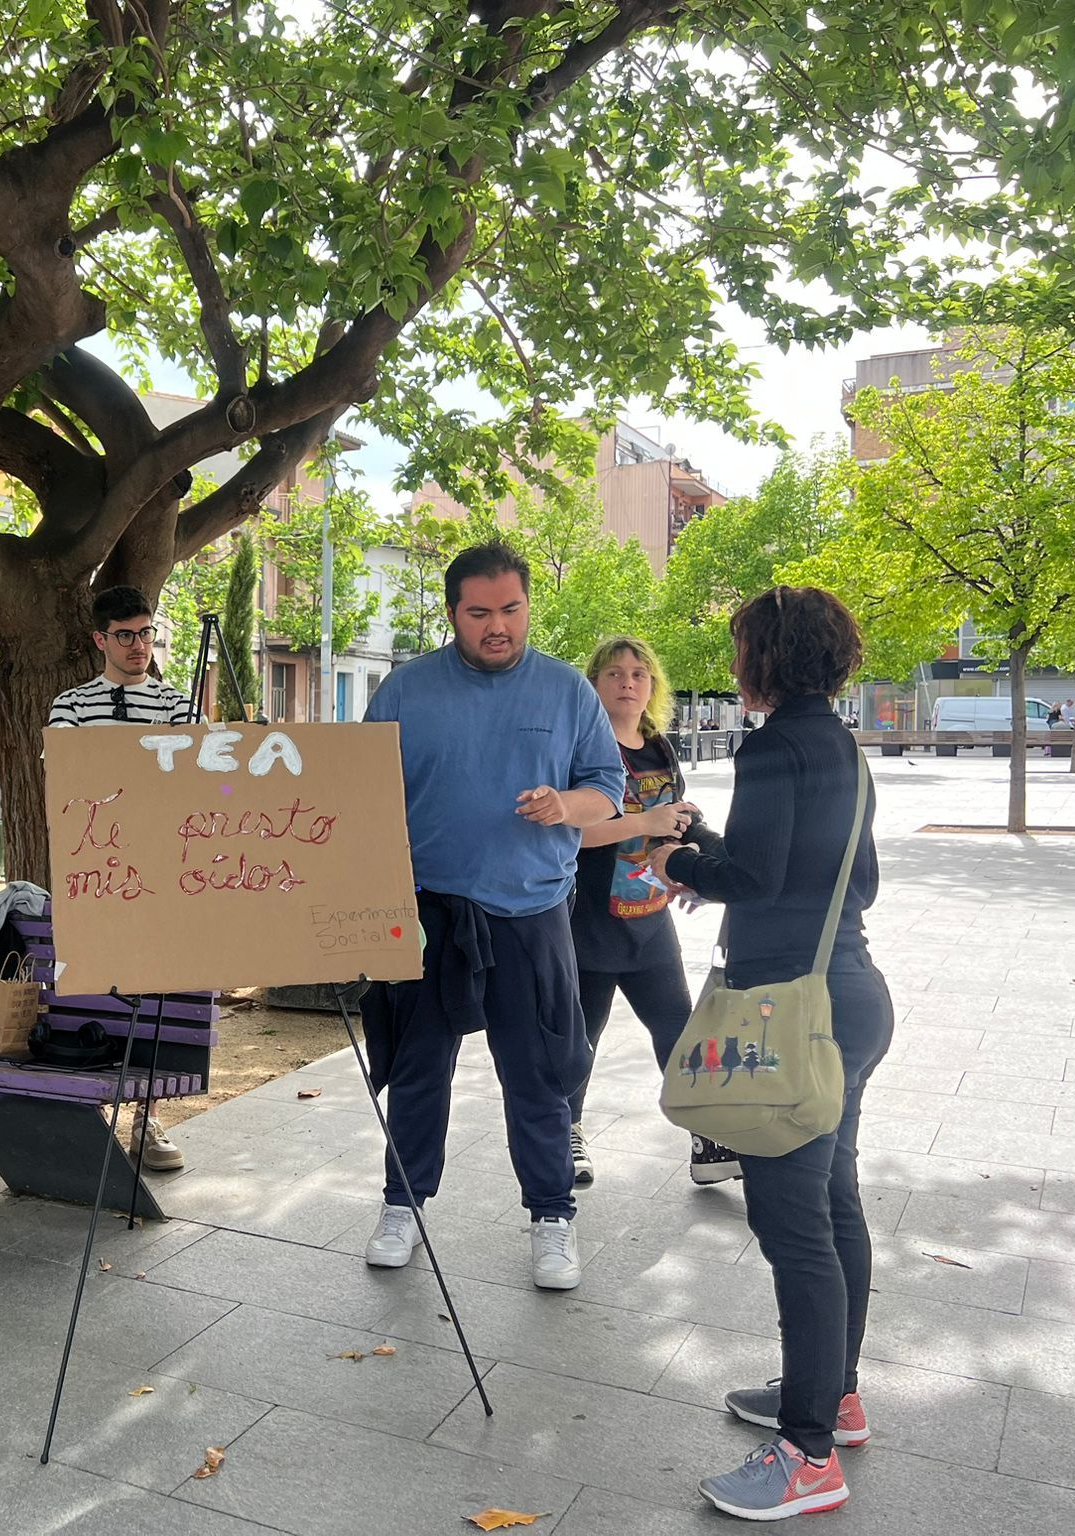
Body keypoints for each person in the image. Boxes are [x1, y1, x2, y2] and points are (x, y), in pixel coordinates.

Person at [648, 586, 892, 1523]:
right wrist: (707, 839)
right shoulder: (837, 744)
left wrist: (681, 865)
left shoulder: (773, 745)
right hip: (852, 999)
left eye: (745, 644)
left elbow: (754, 877)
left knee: (798, 1231)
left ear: (770, 655)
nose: (737, 657)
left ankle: (807, 1454)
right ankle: (833, 1397)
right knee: (835, 1206)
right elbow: (827, 870)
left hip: (793, 1013)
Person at [358, 542, 624, 1291]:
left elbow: (607, 785)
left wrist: (566, 806)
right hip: (428, 913)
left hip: (531, 912)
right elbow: (363, 792)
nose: (497, 626)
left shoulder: (568, 691)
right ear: (453, 614)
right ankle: (401, 1204)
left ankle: (552, 1216)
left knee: (537, 1076)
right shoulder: (407, 690)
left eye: (511, 609)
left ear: (528, 606)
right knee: (416, 1070)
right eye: (479, 613)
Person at [566, 637, 738, 1188]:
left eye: (639, 674)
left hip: (648, 919)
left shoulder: (660, 748)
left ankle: (707, 1136)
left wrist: (702, 869)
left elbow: (680, 818)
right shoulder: (581, 750)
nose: (628, 683)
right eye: (614, 673)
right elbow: (575, 833)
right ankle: (566, 1133)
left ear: (653, 686)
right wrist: (645, 823)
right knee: (579, 1041)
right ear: (593, 685)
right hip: (587, 921)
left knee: (678, 1030)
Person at [46, 585, 197, 1172]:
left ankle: (147, 1118)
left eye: (147, 632)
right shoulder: (71, 706)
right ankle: (93, 1106)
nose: (139, 645)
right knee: (95, 987)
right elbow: (67, 786)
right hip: (95, 872)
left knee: (157, 993)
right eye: (126, 635)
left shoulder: (178, 705)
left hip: (162, 872)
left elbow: (190, 786)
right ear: (100, 639)